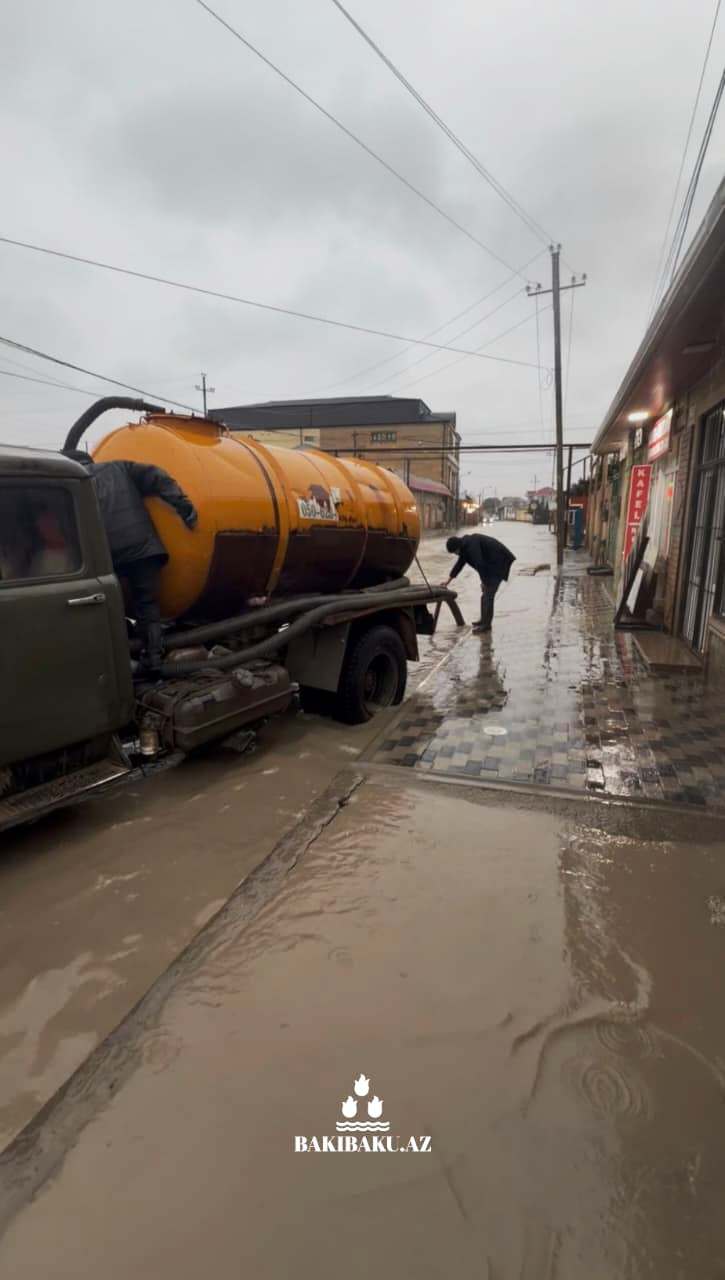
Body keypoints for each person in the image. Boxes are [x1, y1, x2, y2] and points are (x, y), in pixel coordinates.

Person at [65, 450, 198, 667]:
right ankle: (154, 655)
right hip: (143, 549)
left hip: (107, 554)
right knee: (146, 602)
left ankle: (120, 655)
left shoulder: (74, 483)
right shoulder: (120, 467)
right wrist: (184, 506)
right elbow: (157, 476)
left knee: (110, 604)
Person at [442, 532, 515, 634]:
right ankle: (483, 621)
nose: (456, 554)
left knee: (488, 595)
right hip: (491, 565)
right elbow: (459, 565)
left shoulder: (471, 546)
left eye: (455, 552)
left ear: (457, 547)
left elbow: (480, 564)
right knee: (485, 595)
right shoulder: (464, 546)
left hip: (499, 563)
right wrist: (447, 581)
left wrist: (484, 581)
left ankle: (486, 625)